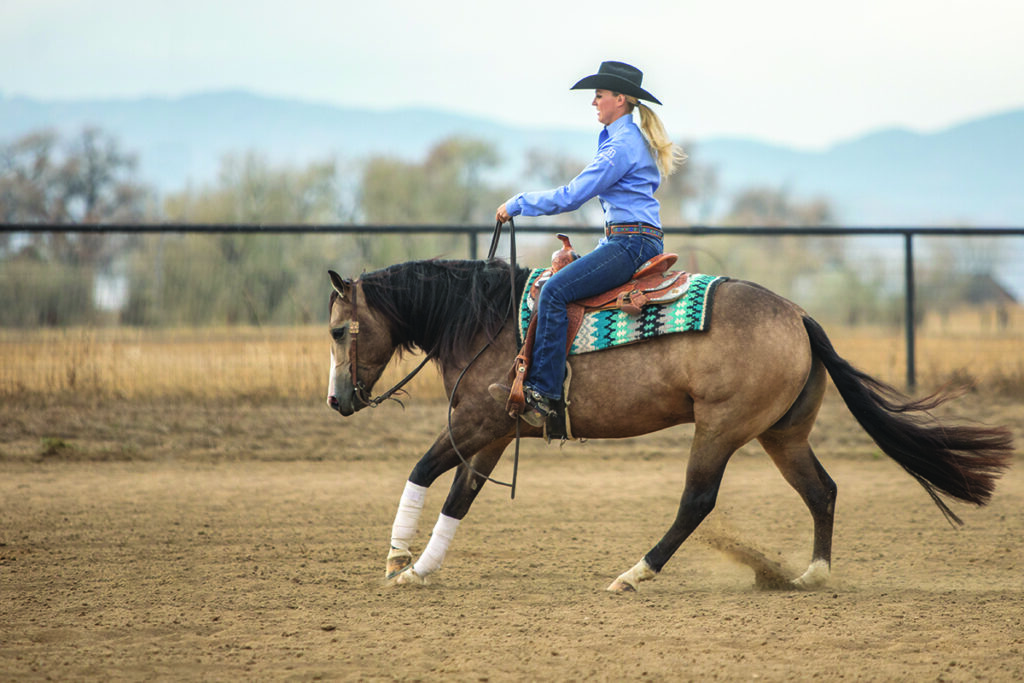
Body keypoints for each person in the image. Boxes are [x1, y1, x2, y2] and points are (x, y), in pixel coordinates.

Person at [491, 60, 686, 427]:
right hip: (630, 239)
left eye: (598, 95)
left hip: (630, 243)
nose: (593, 103)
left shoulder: (621, 146)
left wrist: (518, 203)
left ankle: (544, 393)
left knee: (553, 293)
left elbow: (572, 195)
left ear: (620, 99)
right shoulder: (623, 140)